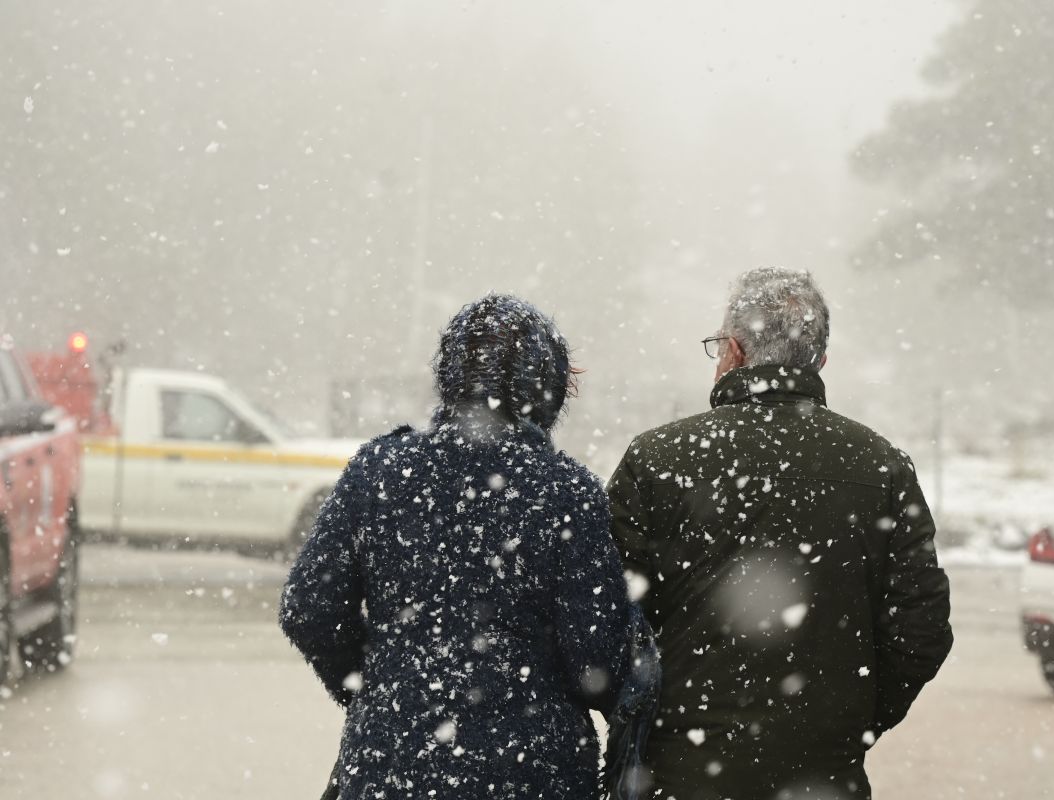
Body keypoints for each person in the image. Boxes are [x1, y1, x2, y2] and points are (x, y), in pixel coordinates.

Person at [607, 268, 953, 800]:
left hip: (679, 772)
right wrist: (850, 719)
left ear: (734, 351)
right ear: (819, 360)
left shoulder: (657, 460)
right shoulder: (881, 467)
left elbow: (607, 617)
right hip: (823, 775)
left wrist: (651, 715)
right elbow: (921, 627)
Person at [280, 294, 637, 799]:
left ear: (448, 377)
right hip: (532, 772)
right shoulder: (566, 491)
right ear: (549, 388)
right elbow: (597, 658)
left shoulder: (380, 471)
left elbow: (309, 608)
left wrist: (379, 686)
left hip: (392, 764)